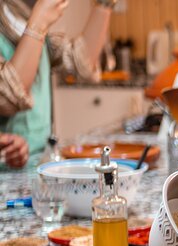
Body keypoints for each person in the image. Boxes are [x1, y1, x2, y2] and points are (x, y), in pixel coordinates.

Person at [0, 0, 114, 168]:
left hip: (38, 167)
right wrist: (39, 22)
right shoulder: (29, 19)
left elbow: (82, 63)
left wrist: (105, 4)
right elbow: (8, 96)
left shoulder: (23, 16)